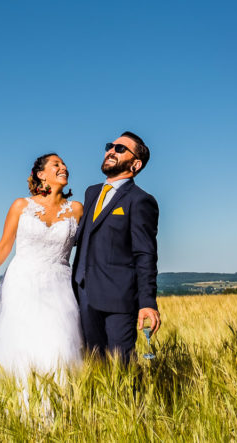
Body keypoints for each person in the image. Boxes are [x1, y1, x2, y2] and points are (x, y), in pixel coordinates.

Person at [0, 154, 85, 381]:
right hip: (22, 283)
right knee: (22, 345)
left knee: (60, 344)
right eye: (56, 164)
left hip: (59, 285)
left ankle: (58, 409)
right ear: (41, 175)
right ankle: (21, 410)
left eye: (64, 164)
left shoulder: (77, 210)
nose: (64, 167)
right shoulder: (21, 205)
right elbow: (4, 245)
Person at [71, 131, 160, 363]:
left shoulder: (141, 200)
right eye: (110, 146)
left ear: (136, 164)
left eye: (120, 149)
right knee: (93, 366)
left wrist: (148, 302)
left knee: (122, 369)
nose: (111, 150)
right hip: (82, 294)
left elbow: (145, 254)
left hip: (118, 300)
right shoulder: (91, 193)